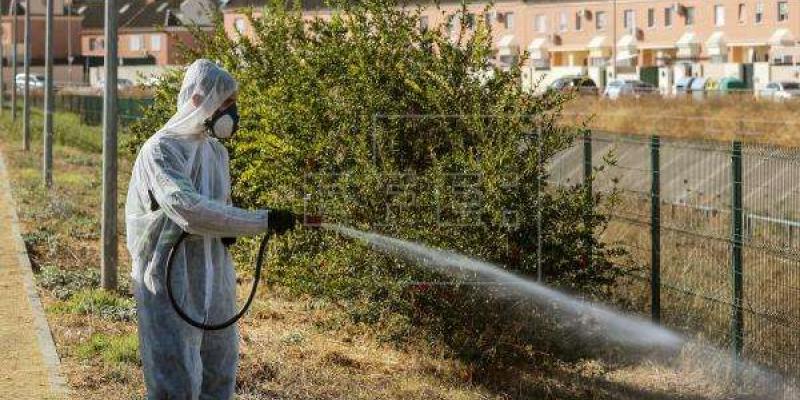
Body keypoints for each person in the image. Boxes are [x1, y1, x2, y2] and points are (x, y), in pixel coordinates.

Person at [125, 59, 296, 399]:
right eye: (225, 102)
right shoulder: (160, 150)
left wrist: (231, 225)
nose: (232, 111)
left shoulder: (217, 153)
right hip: (170, 280)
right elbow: (188, 210)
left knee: (220, 372)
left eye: (233, 102)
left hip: (214, 278)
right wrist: (260, 220)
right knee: (177, 382)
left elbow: (221, 208)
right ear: (197, 98)